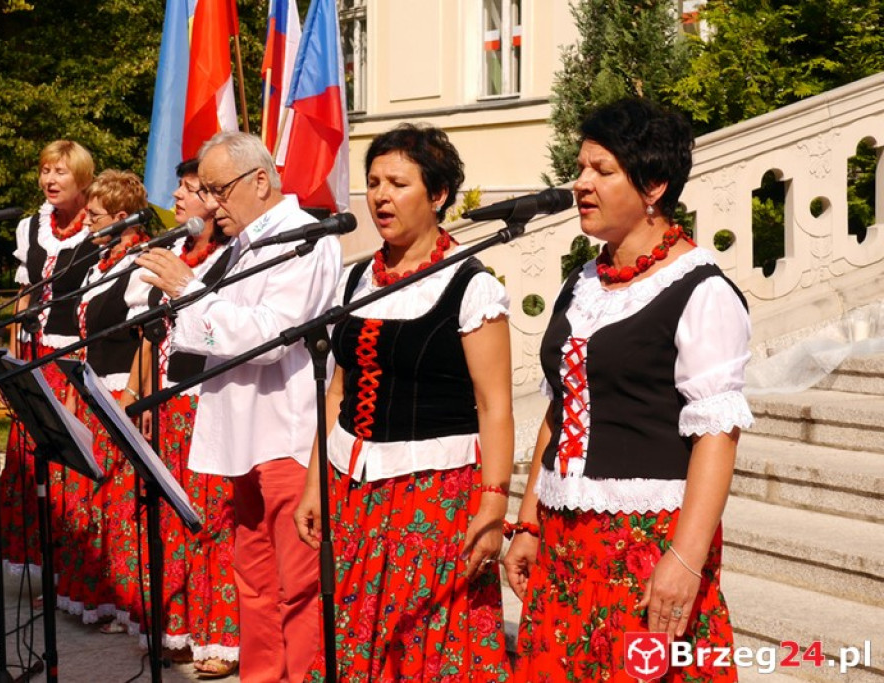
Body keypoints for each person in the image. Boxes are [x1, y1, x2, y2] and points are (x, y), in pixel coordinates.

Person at [503, 97, 753, 682]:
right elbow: (559, 411)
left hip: (646, 544)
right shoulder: (582, 282)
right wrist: (529, 521)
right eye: (581, 166)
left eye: (602, 170)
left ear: (655, 185)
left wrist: (684, 562)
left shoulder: (702, 290)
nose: (580, 183)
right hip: (566, 541)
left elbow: (718, 435)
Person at [293, 123, 515, 682]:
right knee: (355, 632)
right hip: (355, 490)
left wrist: (493, 505)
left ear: (437, 195)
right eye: (372, 182)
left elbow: (495, 406)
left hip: (435, 497)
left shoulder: (471, 285)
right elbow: (338, 390)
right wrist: (315, 480)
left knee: (425, 640)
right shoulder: (354, 280)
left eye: (398, 182)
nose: (380, 196)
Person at [137, 131, 342, 683]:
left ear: (260, 179)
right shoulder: (243, 243)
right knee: (252, 580)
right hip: (239, 433)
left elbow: (270, 336)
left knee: (296, 584)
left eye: (218, 189)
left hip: (285, 432)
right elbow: (176, 311)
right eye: (204, 190)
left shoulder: (308, 238)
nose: (211, 203)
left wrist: (188, 291)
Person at [128, 158, 240, 677]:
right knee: (172, 517)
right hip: (169, 400)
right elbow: (152, 332)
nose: (176, 195)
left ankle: (222, 635)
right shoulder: (176, 252)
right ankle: (180, 628)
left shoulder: (229, 258)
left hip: (207, 398)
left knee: (211, 519)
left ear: (215, 203)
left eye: (190, 188)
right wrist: (141, 392)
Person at [0, 139, 96, 579]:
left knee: (68, 458)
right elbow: (24, 290)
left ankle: (75, 568)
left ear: (83, 178)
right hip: (34, 353)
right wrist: (12, 349)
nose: (50, 180)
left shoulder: (101, 227)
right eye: (45, 171)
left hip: (73, 354)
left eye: (60, 172)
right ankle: (39, 563)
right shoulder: (32, 226)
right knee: (29, 458)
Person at [54, 169, 153, 629]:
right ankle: (93, 593)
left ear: (121, 218)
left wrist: (133, 396)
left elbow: (146, 337)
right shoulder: (101, 263)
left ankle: (124, 601)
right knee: (91, 499)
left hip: (119, 392)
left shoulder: (143, 262)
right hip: (94, 387)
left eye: (95, 216)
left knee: (119, 500)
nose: (88, 223)